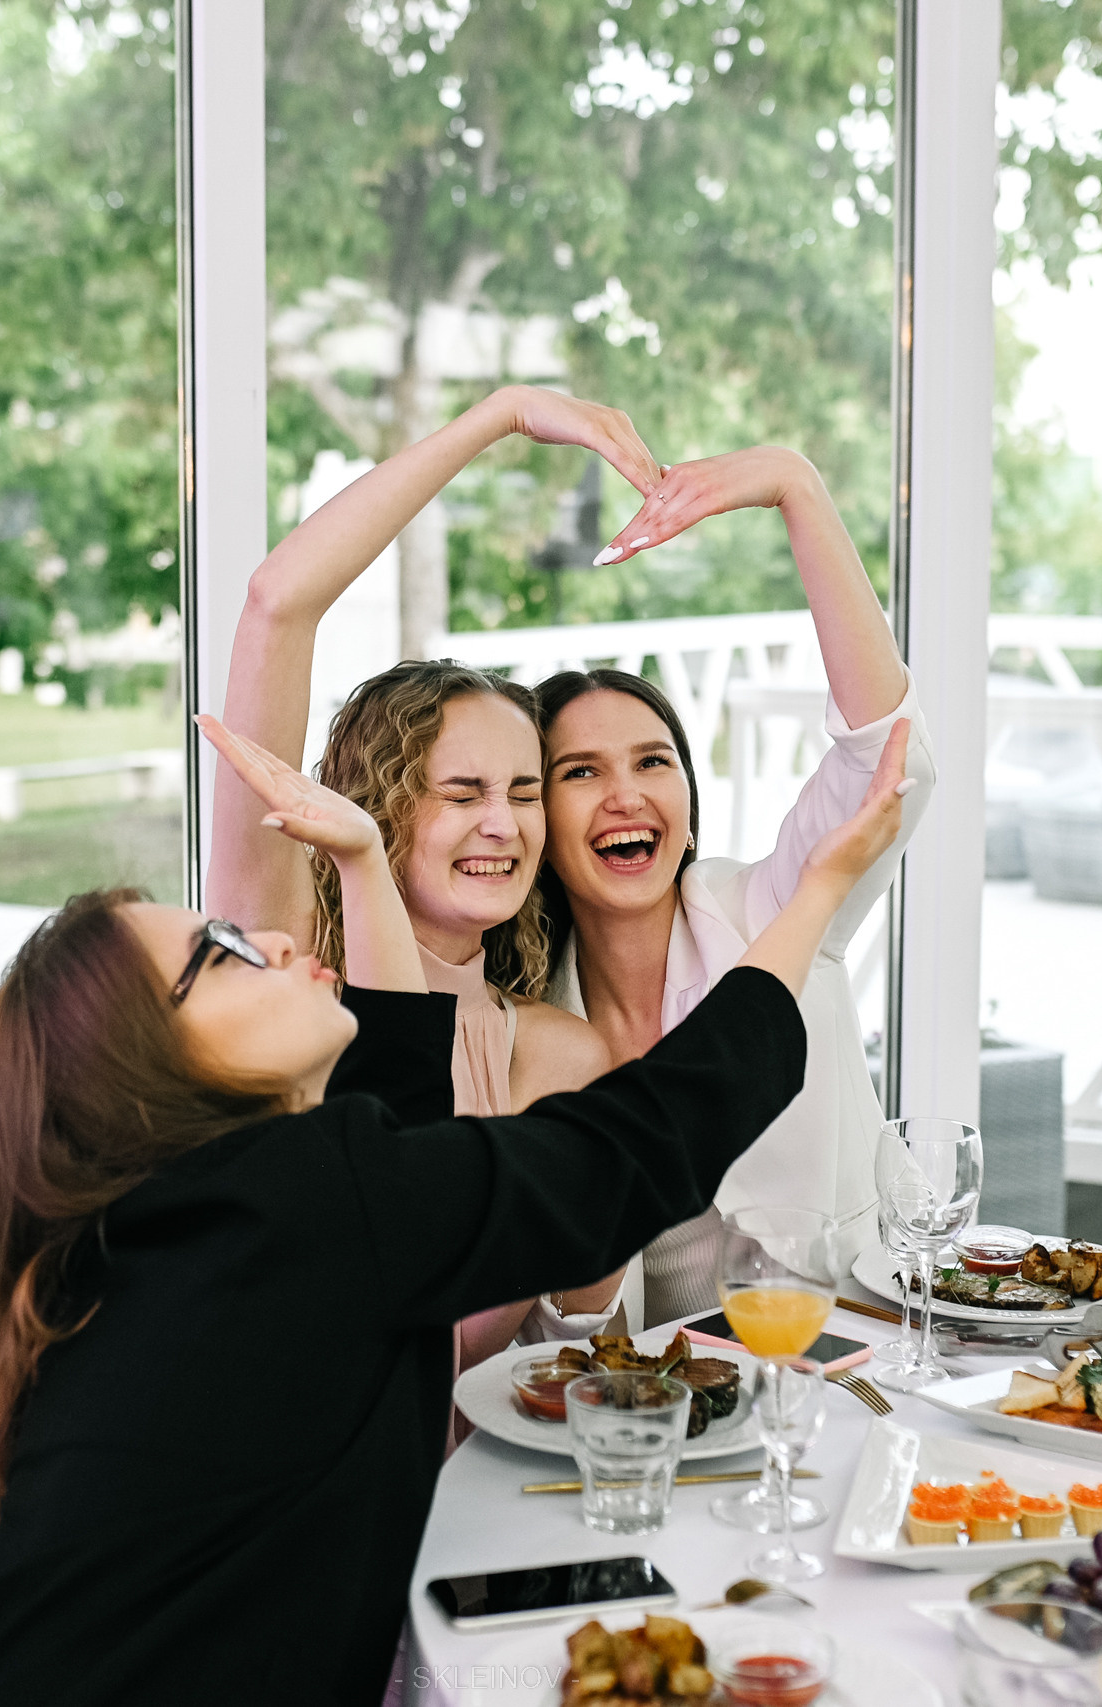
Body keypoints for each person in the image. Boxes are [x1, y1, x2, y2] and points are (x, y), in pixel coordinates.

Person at [0, 711, 919, 1705]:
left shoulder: (185, 1225)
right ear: (147, 1073)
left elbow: (396, 1113)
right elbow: (641, 1143)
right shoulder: (291, 1208)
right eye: (222, 952)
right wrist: (818, 894)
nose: (270, 941)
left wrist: (361, 861)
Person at [211, 384, 669, 1357]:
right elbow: (277, 604)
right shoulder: (285, 962)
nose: (502, 824)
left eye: (524, 791)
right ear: (376, 807)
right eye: (461, 792)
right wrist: (501, 417)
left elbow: (583, 1367)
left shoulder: (560, 1057)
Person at [527, 445, 936, 1320]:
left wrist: (796, 484)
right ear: (535, 815)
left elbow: (887, 756)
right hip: (662, 1391)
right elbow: (564, 1328)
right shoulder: (532, 1021)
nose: (628, 795)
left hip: (857, 1354)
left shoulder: (767, 911)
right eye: (581, 772)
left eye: (653, 761)